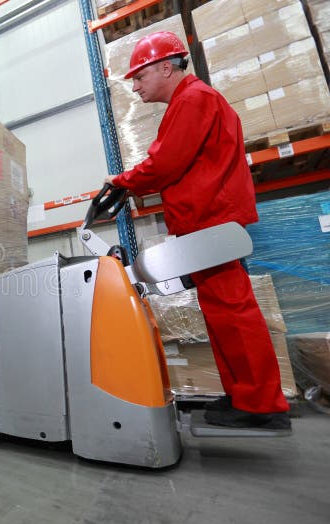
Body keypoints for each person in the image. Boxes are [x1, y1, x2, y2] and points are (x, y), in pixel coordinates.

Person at [105, 31, 290, 430]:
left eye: (139, 77)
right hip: (204, 223)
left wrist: (121, 182)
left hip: (212, 221)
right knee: (220, 311)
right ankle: (243, 395)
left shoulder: (194, 99)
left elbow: (165, 162)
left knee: (232, 310)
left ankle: (260, 403)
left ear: (166, 67)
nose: (134, 87)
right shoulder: (188, 101)